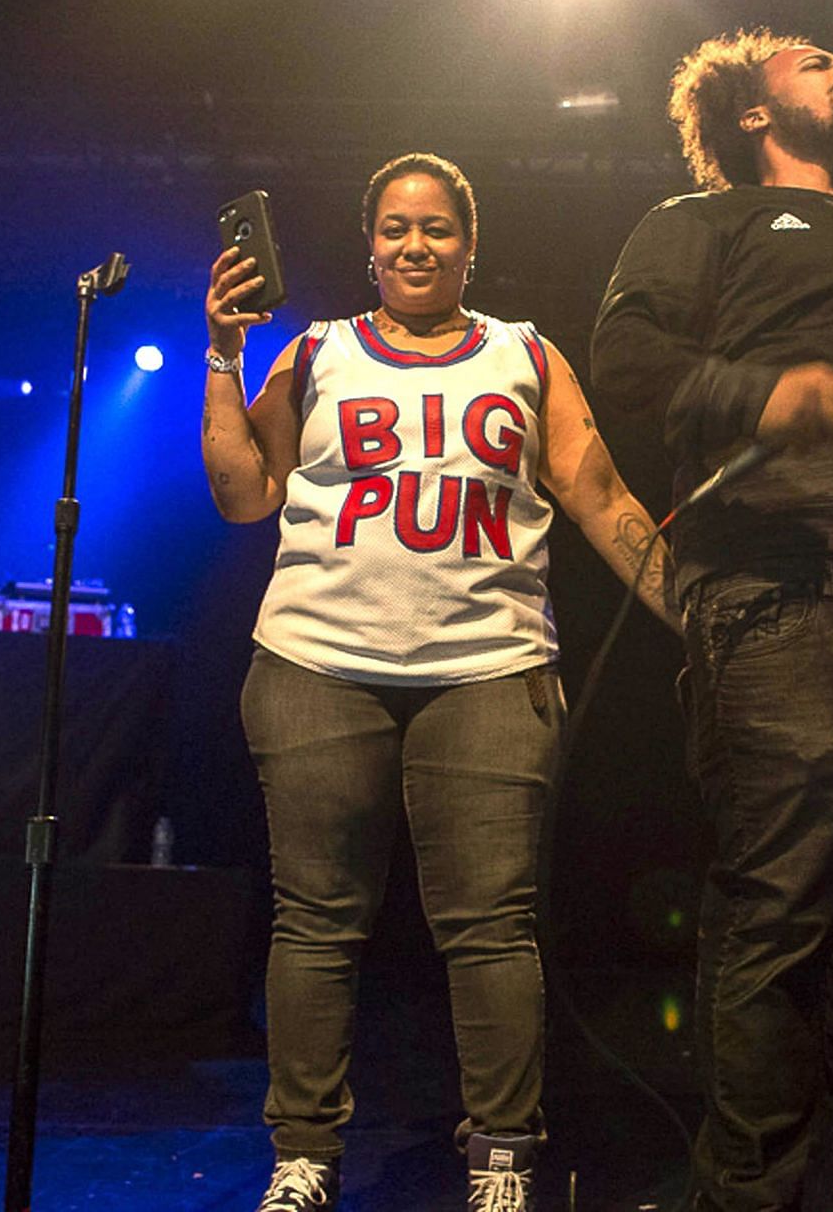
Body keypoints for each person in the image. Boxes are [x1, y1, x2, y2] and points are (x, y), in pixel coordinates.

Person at [203, 152, 673, 1212]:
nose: (417, 245)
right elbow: (242, 494)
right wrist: (225, 355)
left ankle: (502, 1155)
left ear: (471, 244)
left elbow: (599, 494)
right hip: (317, 663)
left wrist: (695, 612)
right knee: (316, 920)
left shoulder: (526, 354)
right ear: (370, 244)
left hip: (490, 669)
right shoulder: (316, 352)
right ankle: (304, 1155)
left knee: (492, 926)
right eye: (396, 228)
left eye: (438, 229)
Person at [590, 31, 833, 1210]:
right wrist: (761, 393)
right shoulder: (700, 224)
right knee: (778, 903)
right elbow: (625, 358)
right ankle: (755, 1193)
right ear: (751, 113)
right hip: (784, 599)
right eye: (814, 61)